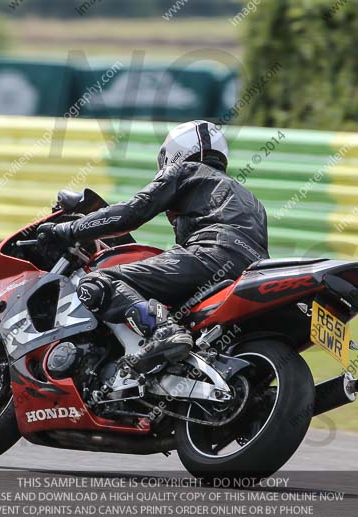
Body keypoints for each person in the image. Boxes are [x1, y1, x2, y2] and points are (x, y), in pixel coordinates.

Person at [37, 120, 268, 373]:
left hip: (209, 256)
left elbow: (132, 212)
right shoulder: (251, 198)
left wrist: (69, 229)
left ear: (173, 152)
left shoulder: (185, 170)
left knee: (98, 282)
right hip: (251, 271)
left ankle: (163, 330)